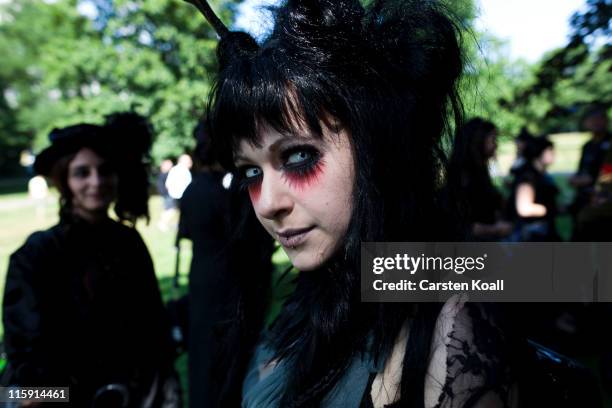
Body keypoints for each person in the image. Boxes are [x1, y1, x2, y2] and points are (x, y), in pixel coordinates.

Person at [185, 0, 518, 406]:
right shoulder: (317, 288)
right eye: (251, 172)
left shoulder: (447, 313)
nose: (267, 204)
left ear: (378, 147)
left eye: (298, 157)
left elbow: (579, 274)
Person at [2, 114, 179, 407]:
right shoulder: (36, 254)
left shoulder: (129, 243)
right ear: (65, 180)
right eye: (82, 172)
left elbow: (153, 331)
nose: (96, 182)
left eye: (105, 171)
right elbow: (22, 381)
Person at [176, 121, 233, 408]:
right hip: (223, 276)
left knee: (201, 349)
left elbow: (184, 233)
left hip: (199, 273)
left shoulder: (191, 190)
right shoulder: (224, 194)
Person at [449, 118, 512, 240]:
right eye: (493, 139)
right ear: (478, 140)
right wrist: (497, 230)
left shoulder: (480, 172)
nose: (496, 145)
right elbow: (464, 224)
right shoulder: (465, 175)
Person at [508, 137, 560, 242]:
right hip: (532, 232)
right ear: (539, 153)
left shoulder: (540, 175)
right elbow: (525, 208)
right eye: (550, 150)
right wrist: (548, 209)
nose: (553, 154)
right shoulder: (528, 176)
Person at [569, 106, 611, 218]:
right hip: (584, 196)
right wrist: (576, 178)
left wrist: (593, 180)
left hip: (603, 197)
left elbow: (608, 172)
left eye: (600, 119)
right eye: (592, 120)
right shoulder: (587, 146)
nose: (596, 123)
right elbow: (582, 169)